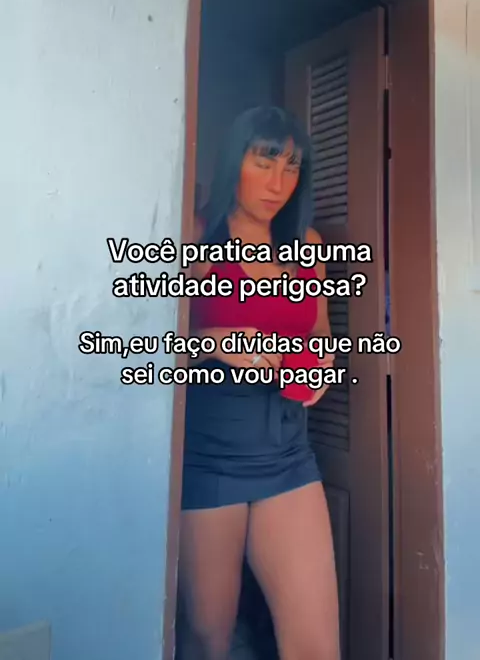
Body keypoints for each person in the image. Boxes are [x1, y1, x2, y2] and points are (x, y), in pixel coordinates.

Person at [177, 106, 341, 660]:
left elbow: (319, 333)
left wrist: (319, 368)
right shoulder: (195, 235)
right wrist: (217, 341)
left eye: (292, 167)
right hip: (208, 457)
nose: (278, 183)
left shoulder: (308, 245)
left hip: (288, 454)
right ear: (236, 161)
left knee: (316, 645)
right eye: (265, 162)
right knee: (208, 638)